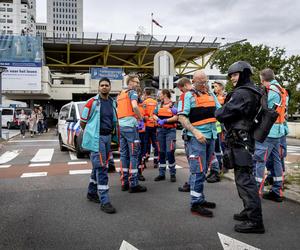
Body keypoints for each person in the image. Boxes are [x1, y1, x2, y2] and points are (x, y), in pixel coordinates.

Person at [215, 61, 265, 233]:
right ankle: (248, 210)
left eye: (235, 75)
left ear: (243, 74)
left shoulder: (242, 93)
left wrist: (219, 111)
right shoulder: (254, 90)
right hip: (244, 139)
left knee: (245, 180)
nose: (232, 78)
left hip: (240, 141)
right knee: (243, 177)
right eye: (231, 76)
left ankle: (255, 221)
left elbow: (222, 114)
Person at [178, 70, 220, 217]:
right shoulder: (187, 96)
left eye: (205, 81)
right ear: (193, 82)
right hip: (197, 139)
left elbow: (220, 111)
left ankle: (200, 199)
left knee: (203, 170)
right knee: (197, 170)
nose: (203, 85)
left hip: (211, 137)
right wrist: (195, 132)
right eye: (200, 82)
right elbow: (182, 118)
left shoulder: (211, 95)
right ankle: (195, 203)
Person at [80, 77, 118, 214]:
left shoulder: (112, 102)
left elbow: (114, 121)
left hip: (107, 138)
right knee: (102, 168)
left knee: (98, 165)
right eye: (102, 85)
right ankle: (105, 200)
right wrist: (91, 135)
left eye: (106, 85)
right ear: (98, 87)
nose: (104, 87)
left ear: (110, 87)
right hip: (97, 139)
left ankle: (91, 193)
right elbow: (83, 122)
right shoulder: (92, 102)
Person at [254, 68, 288, 202]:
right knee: (276, 161)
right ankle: (277, 191)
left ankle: (257, 192)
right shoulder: (282, 90)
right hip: (279, 131)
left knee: (260, 161)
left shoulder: (270, 90)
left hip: (267, 131)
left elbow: (264, 110)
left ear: (263, 79)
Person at [117, 74, 147, 193]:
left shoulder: (120, 94)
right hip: (131, 126)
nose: (138, 85)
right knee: (134, 154)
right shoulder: (132, 93)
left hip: (122, 127)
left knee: (124, 155)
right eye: (136, 82)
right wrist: (141, 118)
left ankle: (124, 182)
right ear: (130, 82)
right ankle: (133, 184)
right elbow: (135, 107)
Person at [153, 89, 178, 182]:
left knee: (170, 151)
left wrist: (165, 121)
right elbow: (154, 115)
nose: (159, 96)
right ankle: (161, 174)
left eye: (160, 94)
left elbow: (176, 116)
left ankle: (172, 173)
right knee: (161, 152)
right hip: (160, 131)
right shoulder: (159, 105)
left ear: (164, 95)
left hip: (170, 130)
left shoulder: (173, 105)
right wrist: (158, 119)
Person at [207, 80, 227, 182]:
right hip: (215, 126)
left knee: (221, 148)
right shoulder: (214, 97)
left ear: (221, 87)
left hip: (222, 127)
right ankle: (217, 169)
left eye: (215, 86)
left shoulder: (225, 97)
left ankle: (221, 168)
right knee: (216, 149)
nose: (214, 88)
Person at [176, 77, 194, 192]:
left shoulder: (185, 95)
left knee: (193, 160)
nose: (181, 92)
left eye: (181, 89)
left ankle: (192, 184)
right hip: (207, 132)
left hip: (191, 132)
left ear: (185, 85)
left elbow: (182, 115)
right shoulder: (201, 94)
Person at [143, 88, 159, 168]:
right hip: (154, 125)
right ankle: (156, 161)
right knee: (155, 143)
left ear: (145, 94)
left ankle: (145, 159)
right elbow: (157, 112)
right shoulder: (155, 102)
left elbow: (143, 113)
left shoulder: (144, 102)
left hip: (147, 125)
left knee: (145, 143)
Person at [136, 87, 146, 181]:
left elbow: (145, 115)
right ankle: (135, 173)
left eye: (140, 93)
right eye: (138, 93)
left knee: (141, 153)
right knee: (135, 153)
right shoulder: (132, 104)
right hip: (134, 132)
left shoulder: (143, 105)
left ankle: (139, 172)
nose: (139, 95)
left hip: (142, 132)